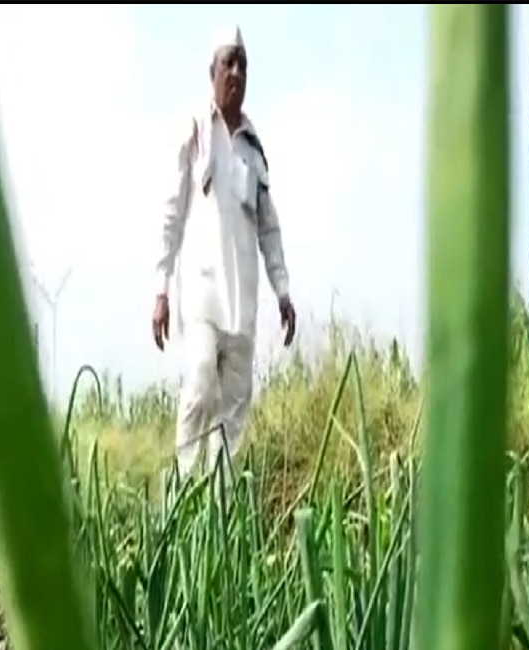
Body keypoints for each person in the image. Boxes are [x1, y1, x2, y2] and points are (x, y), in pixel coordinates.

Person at [151, 26, 296, 477]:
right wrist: (160, 289)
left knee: (234, 412)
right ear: (211, 72)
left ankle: (224, 506)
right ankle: (183, 493)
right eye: (228, 63)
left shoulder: (253, 146)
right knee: (199, 384)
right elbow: (172, 212)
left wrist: (283, 291)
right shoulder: (195, 130)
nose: (236, 73)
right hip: (202, 294)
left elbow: (269, 228)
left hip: (244, 301)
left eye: (243, 65)